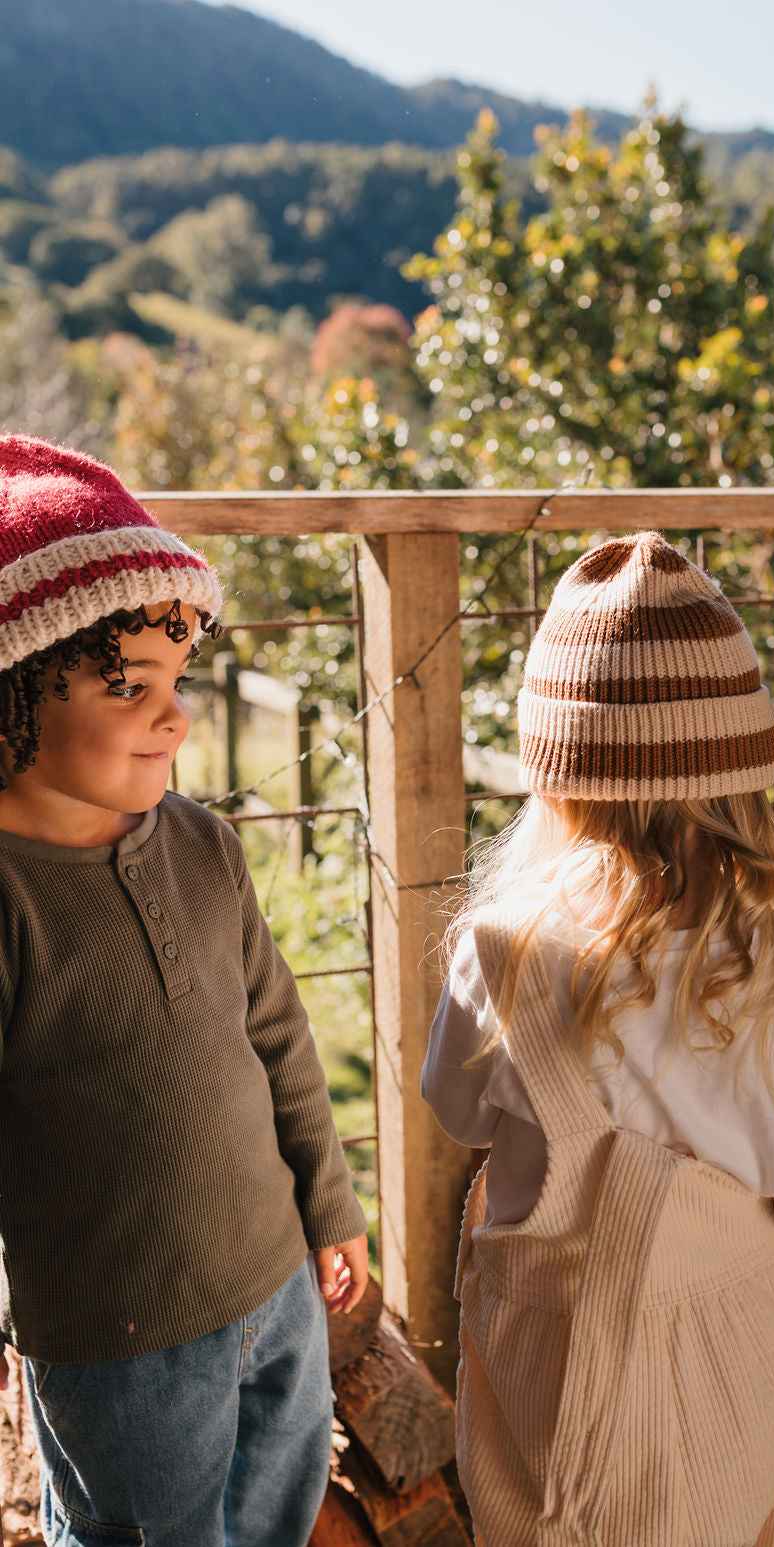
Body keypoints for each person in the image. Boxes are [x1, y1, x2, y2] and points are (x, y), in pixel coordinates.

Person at [422, 531, 774, 1547]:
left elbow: (456, 1110)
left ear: (558, 772)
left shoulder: (499, 953)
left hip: (553, 1373)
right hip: (747, 1369)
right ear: (742, 768)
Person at [0, 434, 369, 1547]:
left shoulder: (203, 846)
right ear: (14, 691)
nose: (175, 715)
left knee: (279, 1506)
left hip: (274, 1287)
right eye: (129, 687)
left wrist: (328, 1201)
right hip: (118, 1339)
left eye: (178, 679)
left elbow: (279, 1034)